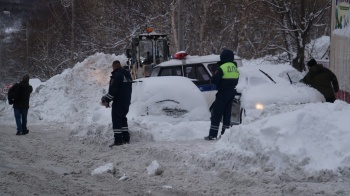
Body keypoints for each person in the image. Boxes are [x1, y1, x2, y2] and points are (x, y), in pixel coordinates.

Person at [205, 49, 239, 140]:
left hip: (222, 93)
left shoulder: (222, 67)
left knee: (216, 114)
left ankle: (212, 135)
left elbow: (214, 80)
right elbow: (236, 80)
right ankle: (225, 135)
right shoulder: (235, 67)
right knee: (227, 114)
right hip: (231, 92)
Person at [101, 60, 133, 146]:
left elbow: (113, 91)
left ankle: (118, 140)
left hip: (118, 102)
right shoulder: (127, 74)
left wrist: (106, 100)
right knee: (123, 119)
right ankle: (126, 138)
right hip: (126, 101)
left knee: (116, 120)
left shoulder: (116, 76)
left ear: (114, 67)